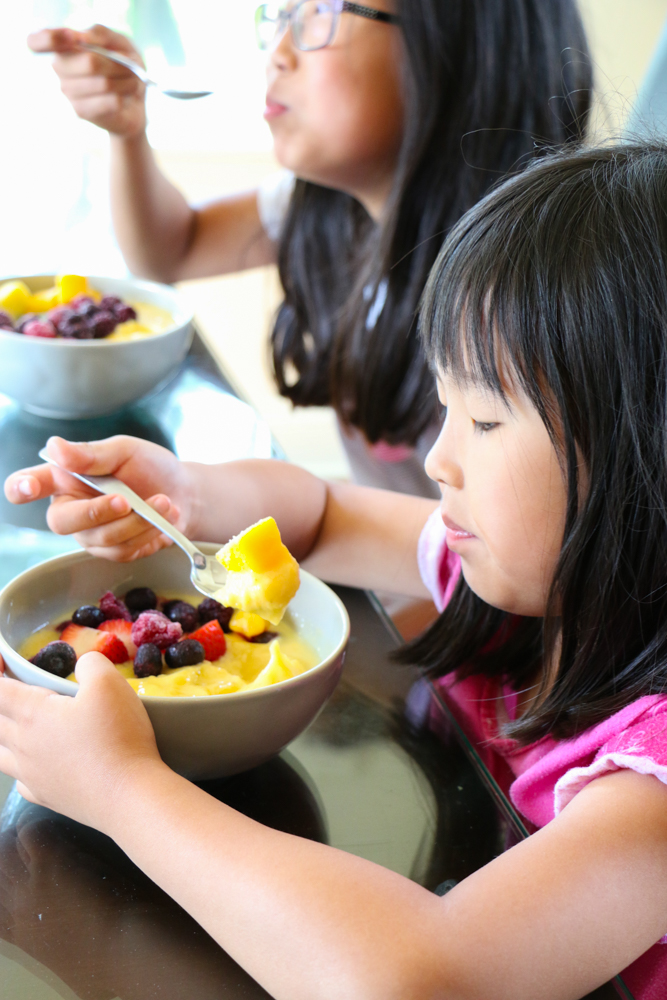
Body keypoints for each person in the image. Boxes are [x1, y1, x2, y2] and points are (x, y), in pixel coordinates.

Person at [8, 141, 667, 999]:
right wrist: (186, 494)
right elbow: (326, 516)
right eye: (444, 406)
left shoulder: (651, 788)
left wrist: (121, 790)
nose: (436, 460)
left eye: (484, 420)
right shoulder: (541, 583)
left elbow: (417, 980)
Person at [28, 0, 591, 498]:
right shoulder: (330, 206)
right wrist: (127, 132)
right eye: (282, 15)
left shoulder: (537, 290)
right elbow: (170, 251)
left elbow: (513, 553)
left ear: (461, 44)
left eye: (322, 12)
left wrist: (316, 525)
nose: (276, 54)